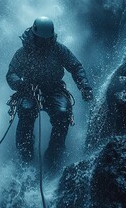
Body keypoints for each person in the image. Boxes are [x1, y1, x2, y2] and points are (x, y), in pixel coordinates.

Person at [6, 16, 93, 170]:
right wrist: (20, 85)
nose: (44, 43)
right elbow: (11, 73)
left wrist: (84, 87)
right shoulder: (24, 52)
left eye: (47, 40)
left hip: (54, 89)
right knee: (25, 112)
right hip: (29, 89)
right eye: (41, 40)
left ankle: (53, 157)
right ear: (34, 36)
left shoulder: (58, 49)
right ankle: (24, 157)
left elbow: (75, 67)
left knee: (62, 114)